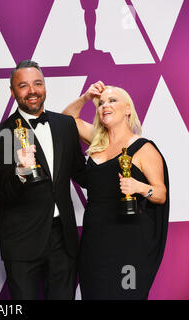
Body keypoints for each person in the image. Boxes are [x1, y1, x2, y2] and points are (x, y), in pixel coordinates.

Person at [62, 81, 169, 299]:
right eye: (100, 103)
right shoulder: (96, 141)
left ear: (127, 109)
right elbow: (66, 121)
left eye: (112, 100)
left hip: (129, 242)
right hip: (95, 241)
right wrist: (85, 98)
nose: (104, 105)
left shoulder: (143, 147)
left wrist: (140, 187)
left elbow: (160, 194)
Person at [0, 60, 87, 299]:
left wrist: (115, 167)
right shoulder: (1, 134)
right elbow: (2, 192)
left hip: (62, 239)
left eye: (38, 83)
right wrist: (20, 172)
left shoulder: (65, 125)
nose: (32, 91)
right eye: (23, 86)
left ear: (45, 86)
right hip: (22, 242)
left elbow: (80, 173)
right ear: (12, 92)